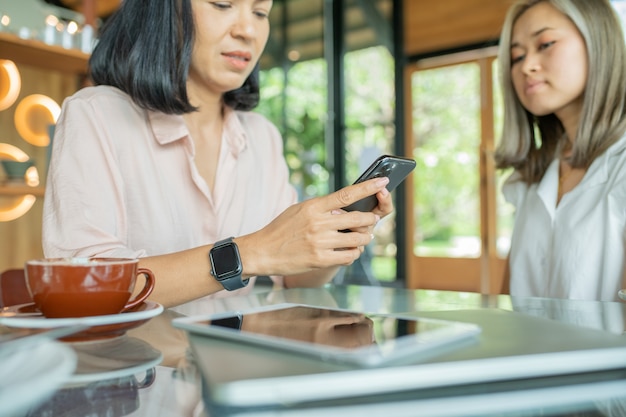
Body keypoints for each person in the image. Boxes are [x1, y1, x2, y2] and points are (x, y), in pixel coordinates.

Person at [42, 0, 393, 308]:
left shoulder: (262, 136)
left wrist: (339, 235)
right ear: (165, 10)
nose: (247, 31)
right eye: (222, 5)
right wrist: (250, 253)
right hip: (137, 373)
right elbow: (86, 287)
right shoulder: (96, 114)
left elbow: (297, 277)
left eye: (260, 12)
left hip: (232, 367)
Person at [495, 0, 626, 301]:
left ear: (598, 41)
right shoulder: (530, 178)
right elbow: (504, 309)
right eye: (517, 56)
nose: (527, 65)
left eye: (545, 43)